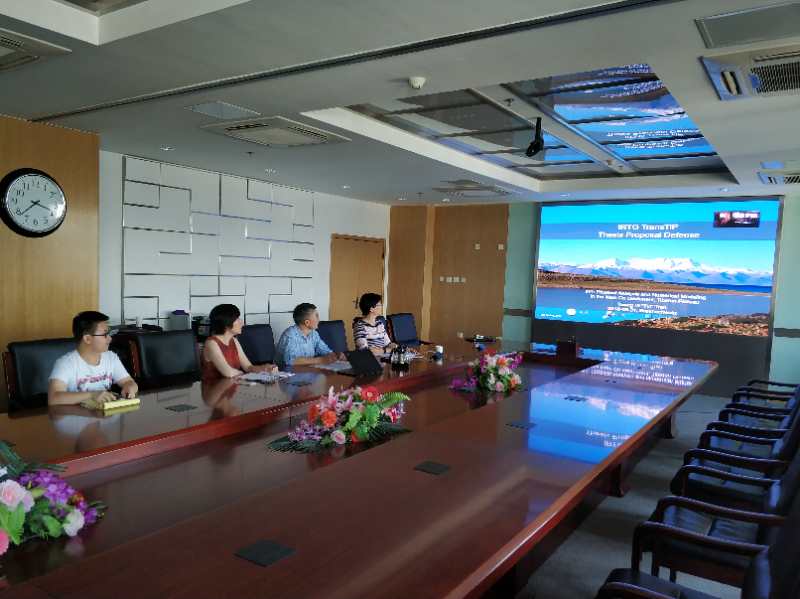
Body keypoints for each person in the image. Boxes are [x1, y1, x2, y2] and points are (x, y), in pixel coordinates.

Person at [48, 311, 138, 406]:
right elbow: (54, 398)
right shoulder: (66, 363)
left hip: (105, 413)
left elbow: (128, 382)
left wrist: (130, 388)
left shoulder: (111, 358)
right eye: (105, 334)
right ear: (87, 339)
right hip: (76, 414)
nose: (110, 338)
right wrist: (92, 395)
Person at [202, 304, 278, 379]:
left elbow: (248, 367)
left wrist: (264, 368)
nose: (242, 323)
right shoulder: (211, 343)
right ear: (226, 323)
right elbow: (229, 373)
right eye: (237, 319)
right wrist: (245, 374)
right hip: (215, 386)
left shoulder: (234, 340)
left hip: (234, 384)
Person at [275, 303, 345, 369]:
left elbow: (325, 350)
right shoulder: (290, 334)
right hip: (285, 372)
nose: (319, 319)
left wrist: (336, 355)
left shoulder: (314, 334)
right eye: (316, 316)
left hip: (306, 370)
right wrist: (320, 360)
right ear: (307, 322)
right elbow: (290, 361)